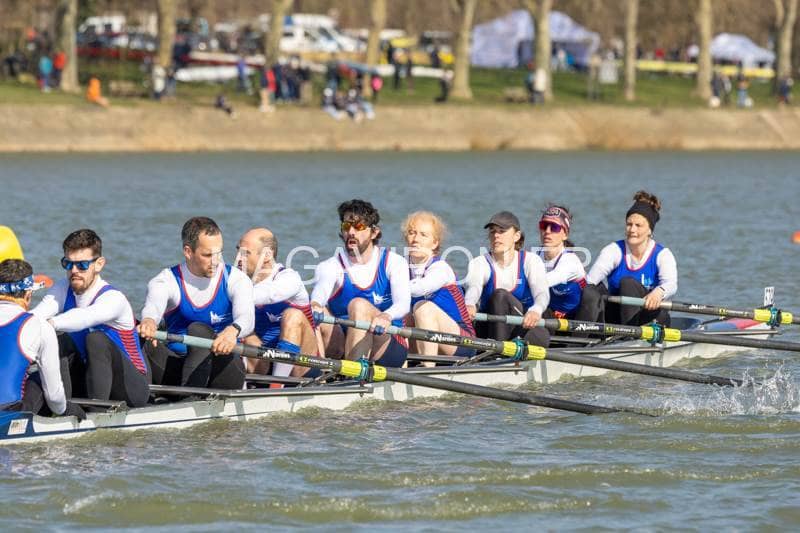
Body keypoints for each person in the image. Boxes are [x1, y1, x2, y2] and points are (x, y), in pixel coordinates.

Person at [32, 230, 150, 407]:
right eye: (68, 264)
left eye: (82, 265)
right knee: (54, 346)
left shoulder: (113, 299)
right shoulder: (63, 288)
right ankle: (62, 408)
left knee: (95, 339)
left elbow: (84, 317)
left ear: (99, 264)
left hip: (131, 387)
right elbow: (36, 315)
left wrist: (49, 324)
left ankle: (96, 410)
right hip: (90, 376)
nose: (74, 271)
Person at [139, 217, 254, 389]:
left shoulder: (236, 279)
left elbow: (247, 318)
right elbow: (152, 309)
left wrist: (233, 330)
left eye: (219, 253)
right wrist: (148, 322)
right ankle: (145, 394)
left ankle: (188, 396)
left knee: (198, 330)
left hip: (221, 369)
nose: (216, 261)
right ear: (188, 251)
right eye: (208, 255)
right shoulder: (166, 281)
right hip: (176, 368)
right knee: (138, 336)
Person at [311, 199, 411, 367]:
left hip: (387, 342)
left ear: (374, 232)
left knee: (358, 305)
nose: (351, 232)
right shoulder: (329, 266)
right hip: (341, 343)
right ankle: (319, 372)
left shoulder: (394, 262)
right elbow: (319, 294)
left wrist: (385, 316)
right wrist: (315, 305)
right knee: (312, 311)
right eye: (346, 226)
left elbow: (403, 304)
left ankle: (352, 373)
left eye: (358, 227)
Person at [577, 191, 677, 326]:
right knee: (591, 289)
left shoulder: (663, 255)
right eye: (629, 224)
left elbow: (671, 284)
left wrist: (659, 292)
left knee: (628, 284)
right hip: (617, 315)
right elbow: (590, 281)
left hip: (650, 316)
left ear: (650, 230)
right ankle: (580, 332)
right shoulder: (613, 251)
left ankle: (629, 334)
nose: (632, 229)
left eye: (638, 225)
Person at [236, 228, 320, 381]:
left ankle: (277, 385)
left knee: (293, 315)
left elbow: (269, 294)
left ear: (267, 255)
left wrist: (230, 295)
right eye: (238, 251)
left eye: (245, 253)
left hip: (301, 366)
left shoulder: (289, 278)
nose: (238, 259)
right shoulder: (236, 281)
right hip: (262, 363)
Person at [0, 259, 78, 418]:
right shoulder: (40, 326)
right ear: (28, 295)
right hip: (7, 414)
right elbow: (54, 397)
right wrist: (66, 410)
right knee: (40, 379)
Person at [463, 211, 550, 347]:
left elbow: (542, 293)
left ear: (516, 236)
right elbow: (474, 287)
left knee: (500, 295)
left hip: (524, 328)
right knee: (499, 296)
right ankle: (499, 350)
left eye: (502, 231)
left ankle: (498, 351)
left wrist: (536, 310)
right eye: (492, 231)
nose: (496, 235)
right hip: (488, 330)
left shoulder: (531, 261)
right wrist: (469, 304)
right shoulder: (479, 263)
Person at [403, 211, 475, 364]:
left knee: (422, 307)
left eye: (423, 235)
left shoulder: (441, 268)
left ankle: (428, 368)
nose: (416, 239)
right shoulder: (400, 266)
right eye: (412, 233)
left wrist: (392, 286)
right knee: (398, 312)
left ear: (435, 243)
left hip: (462, 342)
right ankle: (400, 366)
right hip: (425, 338)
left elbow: (420, 288)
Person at [536, 205, 586, 319]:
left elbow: (548, 280)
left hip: (576, 318)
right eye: (544, 226)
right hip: (551, 315)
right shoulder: (535, 256)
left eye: (554, 227)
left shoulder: (570, 260)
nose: (547, 231)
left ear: (565, 235)